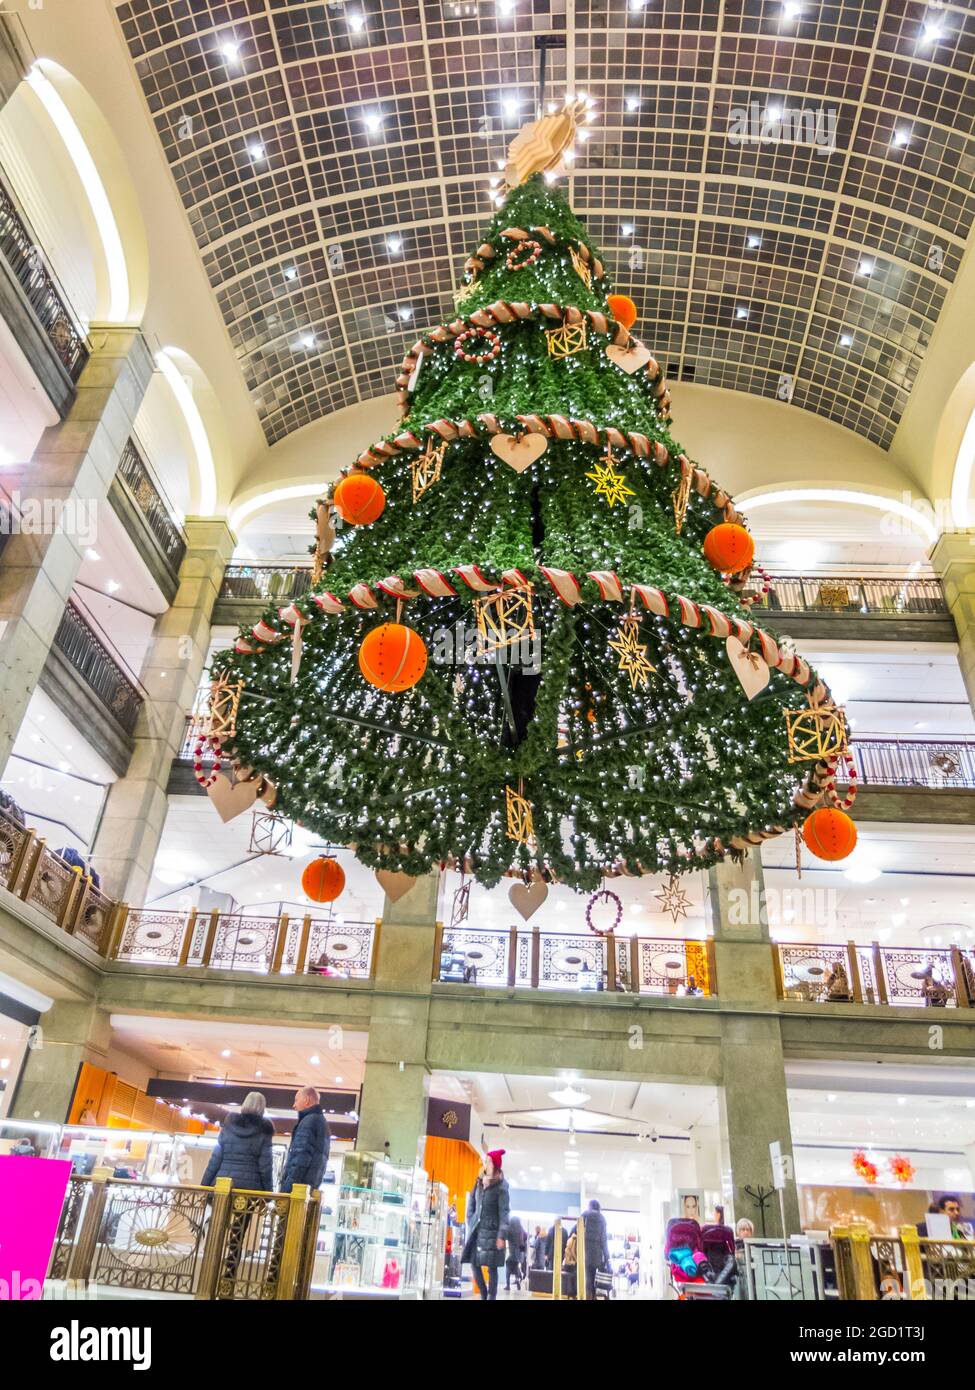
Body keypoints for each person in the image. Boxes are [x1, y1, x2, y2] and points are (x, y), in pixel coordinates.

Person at [461, 1148, 509, 1300]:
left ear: (495, 1165)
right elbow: (472, 1201)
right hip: (477, 1230)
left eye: (488, 1161)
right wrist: (470, 1217)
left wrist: (501, 1235)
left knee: (492, 1266)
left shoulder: (501, 1188)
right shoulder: (479, 1181)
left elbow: (505, 1213)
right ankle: (483, 1294)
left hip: (493, 1232)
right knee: (474, 1263)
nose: (485, 1163)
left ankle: (491, 1297)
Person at [202, 1091, 274, 1191]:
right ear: (262, 1108)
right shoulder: (264, 1131)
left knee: (220, 1206)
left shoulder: (229, 1126)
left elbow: (215, 1159)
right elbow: (265, 1167)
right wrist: (268, 1193)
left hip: (222, 1185)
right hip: (249, 1191)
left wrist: (204, 1185)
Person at [280, 1086, 331, 1192]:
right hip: (309, 1188)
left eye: (296, 1100)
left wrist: (286, 1189)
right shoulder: (322, 1123)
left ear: (307, 1100)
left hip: (297, 1191)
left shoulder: (308, 1122)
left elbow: (300, 1159)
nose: (294, 1105)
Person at [581, 1198, 611, 1301]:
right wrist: (607, 1258)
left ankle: (587, 1295)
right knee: (594, 1278)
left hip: (584, 1252)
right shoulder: (602, 1219)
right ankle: (593, 1296)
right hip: (597, 1254)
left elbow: (575, 1232)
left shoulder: (584, 1215)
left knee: (586, 1277)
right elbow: (604, 1240)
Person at [505, 1212, 527, 1292]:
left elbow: (505, 1237)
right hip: (518, 1253)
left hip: (511, 1252)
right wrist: (523, 1254)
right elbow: (525, 1238)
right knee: (516, 1267)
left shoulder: (510, 1229)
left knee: (508, 1267)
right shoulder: (520, 1229)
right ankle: (517, 1279)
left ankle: (507, 1285)